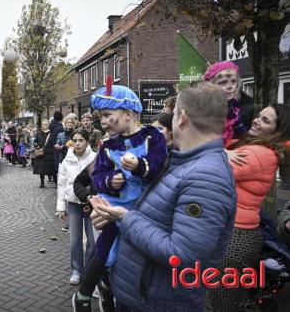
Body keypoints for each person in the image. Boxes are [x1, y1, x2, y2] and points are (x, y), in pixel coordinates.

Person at [90, 81, 237, 312]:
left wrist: (123, 218)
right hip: (143, 295)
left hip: (157, 301)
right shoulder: (183, 159)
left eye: (173, 112)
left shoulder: (207, 178)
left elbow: (183, 256)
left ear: (182, 118)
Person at [73, 77, 167, 312]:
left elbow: (159, 164)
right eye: (101, 117)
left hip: (147, 207)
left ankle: (107, 286)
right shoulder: (106, 146)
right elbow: (97, 176)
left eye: (107, 115)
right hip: (118, 206)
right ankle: (84, 293)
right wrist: (109, 181)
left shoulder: (152, 136)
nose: (103, 122)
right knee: (105, 249)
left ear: (127, 112)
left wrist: (139, 165)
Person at [209, 103, 290, 311]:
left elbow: (213, 169)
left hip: (236, 237)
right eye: (258, 115)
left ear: (277, 131)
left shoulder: (261, 153)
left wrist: (216, 151)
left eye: (265, 120)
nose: (255, 120)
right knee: (225, 298)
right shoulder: (253, 145)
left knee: (226, 302)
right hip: (232, 231)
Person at [56, 128, 97, 285]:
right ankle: (76, 270)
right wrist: (61, 207)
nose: (77, 144)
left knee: (92, 241)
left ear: (87, 141)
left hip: (91, 203)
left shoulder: (95, 158)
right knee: (75, 240)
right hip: (73, 203)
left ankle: (90, 271)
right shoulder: (67, 160)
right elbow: (62, 183)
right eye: (75, 140)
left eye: (81, 140)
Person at [203, 61, 250, 142]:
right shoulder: (204, 107)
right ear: (210, 86)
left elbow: (239, 129)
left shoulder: (233, 105)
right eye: (223, 82)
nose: (230, 87)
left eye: (233, 81)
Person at [33, 119, 56, 188]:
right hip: (41, 153)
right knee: (41, 169)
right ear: (42, 125)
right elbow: (35, 141)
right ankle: (42, 182)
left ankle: (54, 180)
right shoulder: (39, 133)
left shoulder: (52, 133)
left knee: (51, 168)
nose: (45, 125)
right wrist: (36, 145)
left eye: (47, 124)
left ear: (49, 125)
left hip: (50, 153)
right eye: (44, 124)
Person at [49, 111, 65, 183]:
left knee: (55, 163)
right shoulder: (59, 127)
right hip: (59, 147)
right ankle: (57, 180)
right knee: (58, 163)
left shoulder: (52, 126)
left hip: (53, 147)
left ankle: (55, 179)